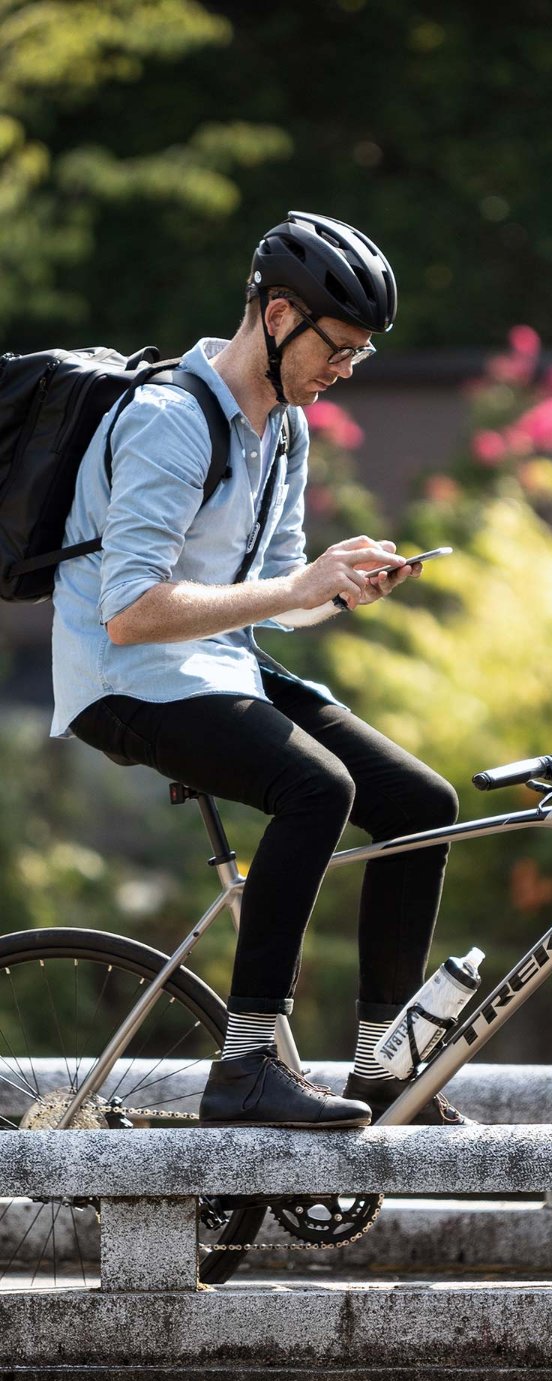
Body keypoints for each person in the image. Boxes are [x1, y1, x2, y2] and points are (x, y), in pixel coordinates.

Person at [50, 211, 466, 1129]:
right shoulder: (169, 421)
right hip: (125, 681)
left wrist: (339, 585)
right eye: (340, 347)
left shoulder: (285, 429)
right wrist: (295, 587)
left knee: (421, 803)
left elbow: (277, 590)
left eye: (358, 353)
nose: (347, 370)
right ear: (279, 315)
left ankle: (381, 1069)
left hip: (217, 665)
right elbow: (131, 610)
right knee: (316, 788)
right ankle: (244, 1068)